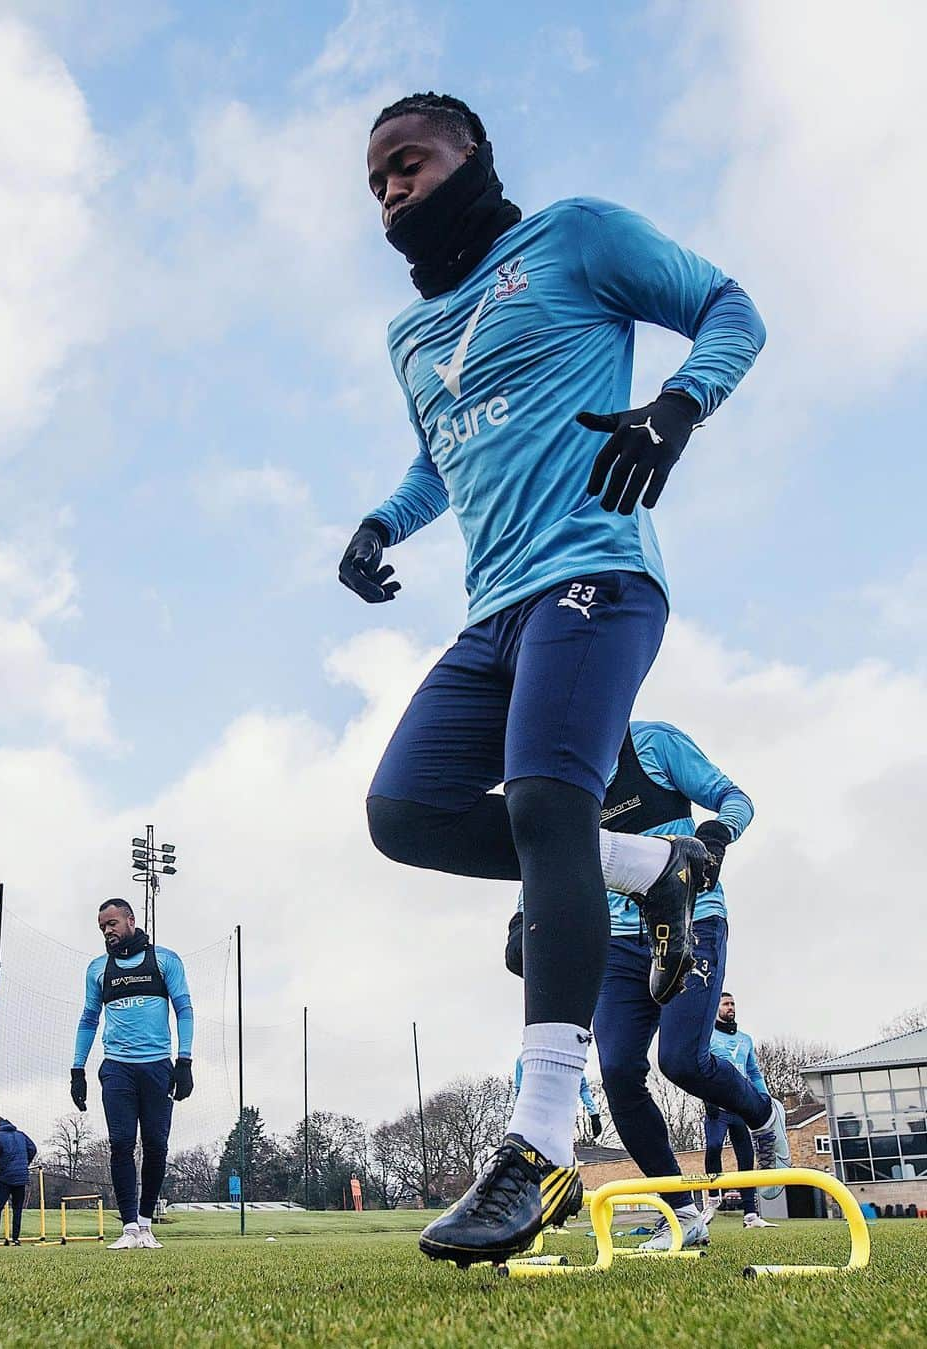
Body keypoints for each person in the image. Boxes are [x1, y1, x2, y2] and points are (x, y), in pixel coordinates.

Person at [340, 90, 765, 1265]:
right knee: (403, 810)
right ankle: (654, 867)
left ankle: (537, 1149)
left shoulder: (574, 236)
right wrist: (384, 521)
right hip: (492, 615)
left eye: (408, 164)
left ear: (471, 156)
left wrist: (676, 407)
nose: (391, 192)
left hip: (598, 574)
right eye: (375, 182)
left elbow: (729, 307)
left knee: (543, 803)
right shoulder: (408, 335)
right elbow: (443, 448)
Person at [505, 721, 789, 1251]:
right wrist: (522, 916)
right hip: (614, 940)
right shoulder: (558, 777)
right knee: (617, 1073)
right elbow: (541, 852)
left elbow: (735, 798)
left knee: (681, 1060)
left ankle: (762, 1113)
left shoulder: (652, 745)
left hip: (688, 919)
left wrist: (716, 834)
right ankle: (683, 1215)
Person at [70, 899, 194, 1250]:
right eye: (102, 927)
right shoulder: (98, 969)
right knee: (121, 1144)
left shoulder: (165, 960)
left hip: (157, 1067)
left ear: (130, 920)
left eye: (112, 923)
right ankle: (127, 1229)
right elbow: (88, 1018)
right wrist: (77, 1069)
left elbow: (184, 1009)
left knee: (156, 1145)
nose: (107, 931)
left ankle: (145, 1225)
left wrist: (183, 1061)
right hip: (117, 1068)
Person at [704, 991, 778, 1229]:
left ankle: (751, 1214)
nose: (731, 1007)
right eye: (726, 1004)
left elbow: (754, 1071)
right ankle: (713, 1199)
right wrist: (707, 1099)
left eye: (733, 1003)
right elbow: (699, 1067)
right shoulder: (707, 1036)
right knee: (714, 1146)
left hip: (741, 1106)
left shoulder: (745, 1039)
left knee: (746, 1158)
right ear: (716, 1008)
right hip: (717, 1104)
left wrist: (763, 1095)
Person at [0, 1116, 37, 1246]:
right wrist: (24, 1163)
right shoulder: (21, 1135)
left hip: (5, 1177)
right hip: (21, 1176)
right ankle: (16, 1239)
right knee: (17, 1208)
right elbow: (33, 1149)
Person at [514, 1059, 603, 1141]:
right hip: (536, 1115)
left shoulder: (568, 1057)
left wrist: (594, 1115)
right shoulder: (524, 1058)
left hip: (561, 1116)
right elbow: (519, 1090)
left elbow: (583, 1087)